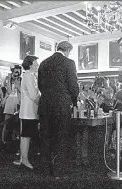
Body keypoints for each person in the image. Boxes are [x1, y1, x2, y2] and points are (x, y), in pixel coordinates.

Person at [38, 41, 79, 177]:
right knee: (61, 136)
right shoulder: (69, 63)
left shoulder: (44, 63)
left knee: (46, 136)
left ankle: (44, 169)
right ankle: (59, 171)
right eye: (69, 52)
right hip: (61, 105)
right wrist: (73, 101)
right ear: (67, 50)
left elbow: (40, 85)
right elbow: (73, 86)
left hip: (45, 104)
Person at [13, 55, 40, 170]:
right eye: (35, 63)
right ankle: (24, 160)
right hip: (28, 112)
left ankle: (23, 159)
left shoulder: (30, 76)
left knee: (26, 136)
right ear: (30, 64)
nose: (37, 65)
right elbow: (34, 95)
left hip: (30, 111)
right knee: (26, 136)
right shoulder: (28, 76)